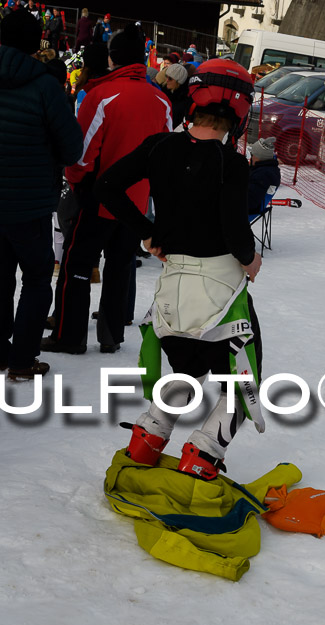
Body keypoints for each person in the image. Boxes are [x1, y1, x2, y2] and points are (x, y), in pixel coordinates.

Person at [94, 58, 263, 481]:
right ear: (239, 113)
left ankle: (147, 440)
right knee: (241, 384)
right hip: (218, 295)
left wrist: (147, 231)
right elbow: (233, 226)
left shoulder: (158, 146)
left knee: (186, 370)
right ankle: (203, 454)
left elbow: (107, 186)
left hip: (171, 299)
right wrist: (251, 259)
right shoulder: (232, 163)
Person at [41, 23, 172, 356]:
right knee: (119, 266)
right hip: (137, 203)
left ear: (113, 58)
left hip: (97, 198)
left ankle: (69, 336)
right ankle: (111, 335)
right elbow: (167, 156)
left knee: (76, 265)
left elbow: (80, 153)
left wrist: (75, 182)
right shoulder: (161, 100)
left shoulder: (102, 94)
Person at [0, 10, 83, 380]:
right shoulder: (46, 86)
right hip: (28, 203)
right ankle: (21, 359)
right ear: (38, 44)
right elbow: (72, 149)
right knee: (35, 277)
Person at [248, 137, 281, 215]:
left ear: (258, 157)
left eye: (252, 154)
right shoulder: (268, 170)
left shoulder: (263, 175)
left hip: (244, 211)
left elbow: (250, 202)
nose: (251, 157)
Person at [161, 62, 189, 129]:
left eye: (170, 78)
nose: (167, 80)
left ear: (178, 81)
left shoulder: (183, 101)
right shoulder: (162, 93)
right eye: (166, 76)